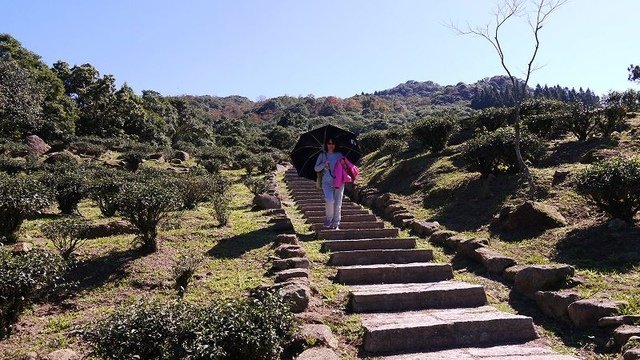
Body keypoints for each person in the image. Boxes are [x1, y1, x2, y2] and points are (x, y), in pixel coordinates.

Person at [314, 137, 345, 230]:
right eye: (329, 143)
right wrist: (324, 164)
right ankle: (328, 218)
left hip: (339, 182)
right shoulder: (322, 155)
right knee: (330, 200)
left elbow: (344, 168)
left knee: (337, 203)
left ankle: (336, 224)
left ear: (335, 145)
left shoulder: (340, 155)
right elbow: (316, 168)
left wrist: (343, 163)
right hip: (326, 182)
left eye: (333, 143)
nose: (331, 145)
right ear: (326, 144)